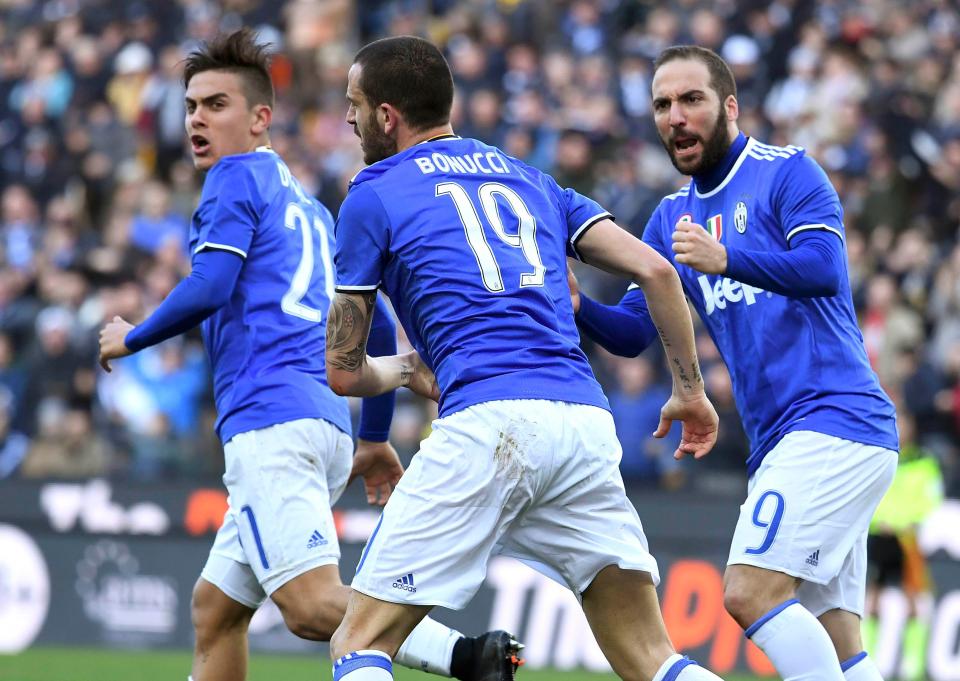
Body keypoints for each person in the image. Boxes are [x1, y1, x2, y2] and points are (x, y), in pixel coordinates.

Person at [98, 29, 518, 681]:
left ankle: (468, 655)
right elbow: (371, 321)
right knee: (215, 609)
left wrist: (132, 335)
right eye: (191, 105)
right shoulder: (310, 210)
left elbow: (210, 286)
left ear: (260, 118)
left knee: (310, 604)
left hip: (270, 421)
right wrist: (374, 437)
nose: (199, 119)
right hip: (321, 423)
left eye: (217, 104)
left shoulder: (233, 180)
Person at [325, 36, 724, 681]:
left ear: (387, 115)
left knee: (359, 642)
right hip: (582, 423)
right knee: (653, 660)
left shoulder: (371, 193)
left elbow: (343, 370)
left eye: (355, 103)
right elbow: (656, 270)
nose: (348, 117)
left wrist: (402, 371)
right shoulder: (534, 181)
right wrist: (688, 388)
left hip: (489, 422)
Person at [568, 45, 899, 681]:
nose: (676, 117)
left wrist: (727, 260)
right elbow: (637, 333)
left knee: (749, 593)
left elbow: (826, 271)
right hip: (785, 441)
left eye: (691, 100)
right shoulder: (670, 219)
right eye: (662, 105)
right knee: (839, 641)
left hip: (834, 421)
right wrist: (577, 304)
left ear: (729, 107)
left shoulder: (788, 173)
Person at [863, 411, 944, 680]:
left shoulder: (923, 462)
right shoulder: (879, 455)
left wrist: (906, 522)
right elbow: (866, 494)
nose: (900, 430)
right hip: (879, 536)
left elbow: (931, 500)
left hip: (908, 539)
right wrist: (880, 521)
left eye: (904, 424)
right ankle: (867, 661)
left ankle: (913, 665)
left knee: (914, 602)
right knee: (871, 601)